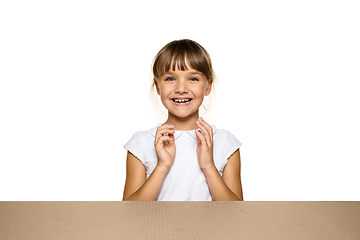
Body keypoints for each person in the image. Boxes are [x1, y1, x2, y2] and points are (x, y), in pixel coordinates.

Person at [123, 39, 243, 201]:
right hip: (159, 227)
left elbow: (237, 213)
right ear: (157, 87)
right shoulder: (140, 143)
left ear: (208, 87)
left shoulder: (226, 143)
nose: (181, 89)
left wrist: (208, 166)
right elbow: (129, 212)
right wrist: (162, 166)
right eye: (170, 79)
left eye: (193, 79)